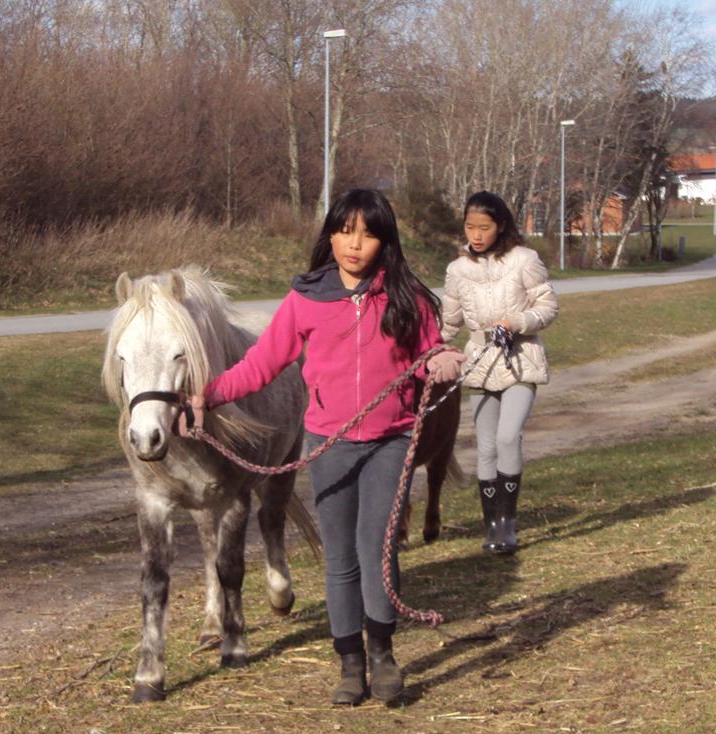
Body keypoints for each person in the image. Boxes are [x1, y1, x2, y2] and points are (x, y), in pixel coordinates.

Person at [177, 188, 465, 705]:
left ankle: (382, 656)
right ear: (329, 233)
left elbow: (429, 353)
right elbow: (261, 365)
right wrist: (209, 395)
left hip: (390, 441)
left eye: (369, 233)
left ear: (385, 240)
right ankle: (349, 664)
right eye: (346, 230)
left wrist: (440, 361)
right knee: (339, 558)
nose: (356, 244)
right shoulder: (306, 298)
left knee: (377, 549)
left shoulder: (408, 296)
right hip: (329, 444)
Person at [442, 190, 558, 554]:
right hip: (479, 363)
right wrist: (433, 350)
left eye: (484, 227)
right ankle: (491, 526)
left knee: (509, 437)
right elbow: (449, 322)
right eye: (470, 227)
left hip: (519, 359)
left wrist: (518, 321)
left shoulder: (525, 260)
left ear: (500, 226)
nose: (476, 235)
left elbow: (548, 306)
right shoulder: (457, 269)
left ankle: (508, 524)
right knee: (486, 446)